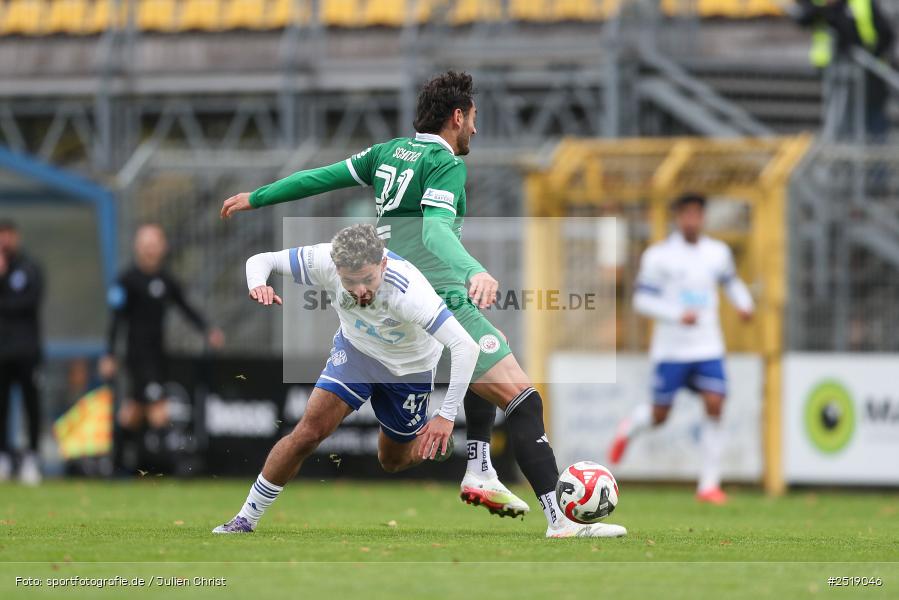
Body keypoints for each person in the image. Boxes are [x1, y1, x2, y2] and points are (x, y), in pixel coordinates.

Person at [221, 71, 627, 538]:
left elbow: (320, 178)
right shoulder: (446, 163)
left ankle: (479, 467)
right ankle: (558, 519)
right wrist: (473, 268)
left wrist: (258, 196)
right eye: (473, 118)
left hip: (379, 302)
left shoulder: (388, 152)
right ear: (457, 116)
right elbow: (435, 232)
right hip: (427, 294)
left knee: (448, 398)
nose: (475, 128)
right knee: (523, 398)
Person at [213, 224, 480, 533]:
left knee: (392, 461)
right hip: (356, 353)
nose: (361, 291)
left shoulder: (409, 291)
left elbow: (465, 347)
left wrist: (446, 416)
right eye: (351, 282)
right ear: (336, 269)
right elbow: (261, 260)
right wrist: (257, 283)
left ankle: (435, 444)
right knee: (308, 432)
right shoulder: (325, 259)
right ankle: (246, 518)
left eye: (368, 279)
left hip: (409, 369)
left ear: (382, 264)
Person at [608, 194, 754, 505]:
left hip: (708, 346)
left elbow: (731, 283)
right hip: (671, 350)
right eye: (686, 214)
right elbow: (641, 300)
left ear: (703, 217)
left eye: (697, 214)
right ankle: (629, 428)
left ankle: (709, 485)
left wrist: (745, 305)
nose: (692, 220)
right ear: (677, 217)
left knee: (716, 403)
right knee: (661, 415)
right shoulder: (659, 256)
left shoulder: (718, 252)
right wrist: (676, 315)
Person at [100, 224, 224, 472]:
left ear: (162, 247)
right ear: (137, 247)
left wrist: (207, 330)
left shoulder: (166, 280)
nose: (150, 248)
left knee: (133, 412)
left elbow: (185, 307)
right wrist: (110, 354)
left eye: (154, 243)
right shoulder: (126, 280)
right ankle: (166, 465)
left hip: (158, 353)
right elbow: (116, 321)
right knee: (159, 408)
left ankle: (114, 463)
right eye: (145, 243)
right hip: (137, 355)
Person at [793, 0, 895, 141]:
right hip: (835, 69)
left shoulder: (862, 3)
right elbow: (803, 18)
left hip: (868, 71)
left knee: (872, 119)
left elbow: (883, 34)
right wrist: (826, 9)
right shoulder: (821, 4)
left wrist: (871, 56)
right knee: (842, 118)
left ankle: (873, 157)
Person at [0, 219, 44, 485]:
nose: (5, 241)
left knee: (32, 406)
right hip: (1, 352)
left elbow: (29, 303)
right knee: (1, 406)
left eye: (8, 235)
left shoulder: (30, 268)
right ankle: (3, 456)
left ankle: (32, 458)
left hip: (27, 351)